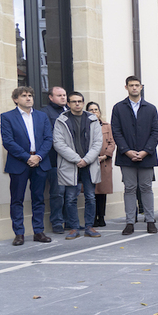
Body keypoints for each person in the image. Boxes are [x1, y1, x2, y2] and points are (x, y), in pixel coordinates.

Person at [1, 86, 53, 245]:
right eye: (24, 96)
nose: (28, 98)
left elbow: (48, 139)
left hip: (40, 161)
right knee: (17, 199)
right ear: (16, 99)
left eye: (30, 95)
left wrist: (38, 156)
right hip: (19, 163)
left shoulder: (42, 116)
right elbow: (8, 142)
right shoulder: (7, 117)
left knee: (38, 198)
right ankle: (19, 234)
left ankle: (38, 232)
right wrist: (26, 157)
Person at [110, 76, 158, 235]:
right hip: (126, 156)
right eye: (131, 85)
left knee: (146, 188)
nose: (134, 88)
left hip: (147, 156)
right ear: (126, 87)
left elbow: (156, 132)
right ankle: (130, 222)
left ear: (141, 87)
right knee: (129, 188)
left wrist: (146, 151)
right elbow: (116, 131)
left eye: (137, 85)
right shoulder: (118, 108)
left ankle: (150, 221)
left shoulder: (151, 108)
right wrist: (127, 150)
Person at [53, 91, 103, 240]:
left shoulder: (92, 119)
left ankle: (89, 226)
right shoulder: (61, 120)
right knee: (70, 198)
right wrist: (77, 159)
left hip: (89, 164)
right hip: (70, 165)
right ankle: (74, 227)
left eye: (80, 101)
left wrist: (86, 160)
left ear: (83, 102)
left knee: (90, 197)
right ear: (68, 104)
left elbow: (97, 142)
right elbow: (58, 143)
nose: (77, 104)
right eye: (74, 101)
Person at [41, 86, 67, 233]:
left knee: (72, 193)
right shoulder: (45, 113)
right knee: (57, 192)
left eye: (64, 95)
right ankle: (57, 222)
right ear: (51, 97)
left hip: (72, 160)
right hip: (54, 159)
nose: (63, 97)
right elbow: (49, 136)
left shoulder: (69, 111)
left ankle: (70, 221)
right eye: (59, 95)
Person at [85, 102, 115, 228]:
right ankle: (92, 218)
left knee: (102, 191)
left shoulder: (107, 126)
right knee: (91, 192)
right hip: (89, 162)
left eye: (96, 109)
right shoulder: (84, 126)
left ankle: (101, 217)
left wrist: (105, 155)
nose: (94, 112)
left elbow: (112, 143)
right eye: (91, 110)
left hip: (104, 163)